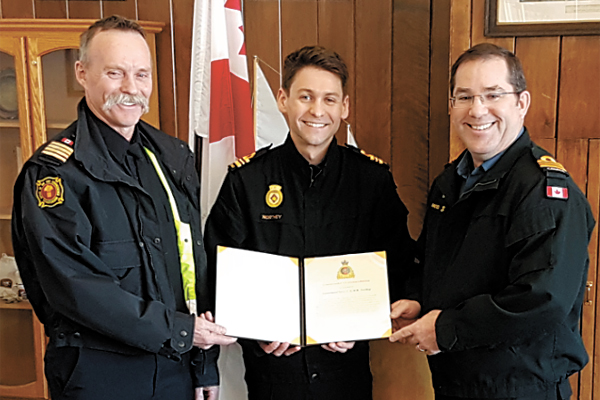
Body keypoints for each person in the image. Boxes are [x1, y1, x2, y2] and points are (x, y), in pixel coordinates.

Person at [11, 15, 236, 400]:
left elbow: (190, 266)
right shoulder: (54, 175)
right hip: (101, 374)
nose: (131, 88)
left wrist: (203, 365)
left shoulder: (171, 157)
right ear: (82, 72)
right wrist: (181, 331)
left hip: (174, 366)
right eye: (115, 73)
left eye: (142, 74)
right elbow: (77, 289)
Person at [204, 45, 415, 400]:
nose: (317, 111)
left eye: (330, 99)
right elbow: (218, 271)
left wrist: (364, 322)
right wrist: (256, 334)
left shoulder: (371, 180)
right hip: (272, 376)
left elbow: (399, 263)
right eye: (306, 97)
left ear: (344, 107)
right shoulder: (247, 181)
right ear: (283, 99)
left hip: (345, 376)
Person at [389, 43, 595, 400]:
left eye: (492, 95)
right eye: (464, 97)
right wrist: (417, 300)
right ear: (451, 106)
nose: (477, 109)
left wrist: (446, 328)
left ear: (522, 103)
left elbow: (542, 299)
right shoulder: (451, 181)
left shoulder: (543, 191)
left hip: (520, 387)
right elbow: (437, 265)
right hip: (457, 379)